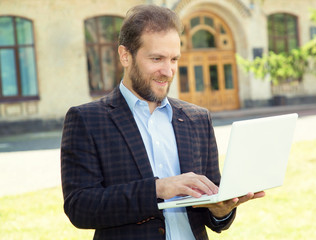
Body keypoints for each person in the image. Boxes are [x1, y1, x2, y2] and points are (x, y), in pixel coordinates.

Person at [61, 4, 265, 240]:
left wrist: (221, 211)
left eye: (174, 59)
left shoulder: (197, 119)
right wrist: (158, 189)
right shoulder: (87, 120)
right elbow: (80, 207)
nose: (168, 71)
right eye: (157, 58)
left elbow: (214, 210)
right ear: (125, 56)